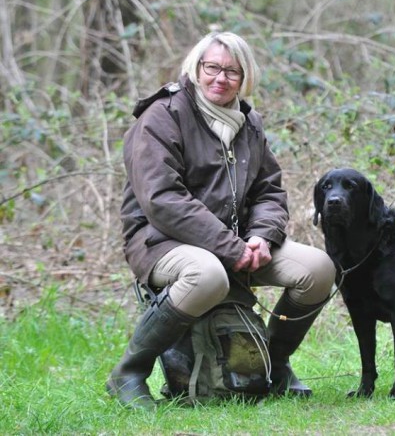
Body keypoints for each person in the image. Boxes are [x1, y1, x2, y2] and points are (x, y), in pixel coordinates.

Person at [106, 31, 336, 409]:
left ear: (246, 77)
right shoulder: (162, 116)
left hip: (239, 243)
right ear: (196, 68)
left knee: (318, 269)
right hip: (161, 241)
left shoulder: (249, 121)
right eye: (212, 67)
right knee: (207, 275)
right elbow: (162, 199)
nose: (220, 78)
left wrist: (262, 237)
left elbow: (269, 191)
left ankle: (272, 365)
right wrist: (231, 248)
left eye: (232, 71)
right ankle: (129, 373)